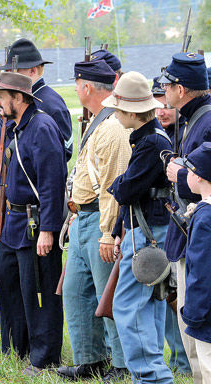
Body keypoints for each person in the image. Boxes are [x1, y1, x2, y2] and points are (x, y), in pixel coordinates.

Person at [0, 72, 66, 375]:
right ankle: (16, 350)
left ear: (17, 98)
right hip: (12, 222)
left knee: (40, 293)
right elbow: (3, 178)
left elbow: (51, 183)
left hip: (35, 224)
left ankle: (43, 358)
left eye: (2, 96)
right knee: (10, 289)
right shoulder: (14, 127)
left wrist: (48, 228)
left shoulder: (42, 127)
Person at [57, 60, 129, 382]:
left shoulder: (112, 126)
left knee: (107, 297)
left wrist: (107, 232)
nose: (75, 89)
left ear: (86, 87)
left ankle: (123, 363)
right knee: (75, 292)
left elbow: (113, 185)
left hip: (100, 219)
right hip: (82, 216)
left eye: (76, 84)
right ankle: (91, 359)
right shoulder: (96, 122)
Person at [104, 71, 174, 383]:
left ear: (131, 112)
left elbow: (124, 190)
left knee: (129, 307)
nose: (115, 114)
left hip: (148, 234)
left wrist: (119, 184)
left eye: (117, 109)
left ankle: (152, 377)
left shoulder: (150, 142)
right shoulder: (148, 139)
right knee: (149, 306)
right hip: (146, 230)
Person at [160, 52, 211, 384]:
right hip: (189, 230)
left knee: (201, 332)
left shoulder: (206, 119)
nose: (163, 89)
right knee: (190, 333)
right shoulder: (191, 117)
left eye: (168, 84)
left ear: (181, 88)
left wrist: (178, 173)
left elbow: (199, 176)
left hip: (201, 229)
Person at [152, 77, 191, 375]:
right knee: (168, 296)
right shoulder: (159, 135)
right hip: (163, 225)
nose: (163, 111)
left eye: (166, 105)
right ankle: (179, 359)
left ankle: (184, 360)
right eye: (158, 106)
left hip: (179, 224)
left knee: (180, 295)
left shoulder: (189, 130)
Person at [0, 38, 72, 162]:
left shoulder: (50, 104)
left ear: (33, 71)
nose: (9, 76)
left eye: (14, 71)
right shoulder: (15, 100)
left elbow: (63, 152)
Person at [178, 142, 211, 383]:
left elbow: (201, 271)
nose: (186, 176)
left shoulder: (205, 218)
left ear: (199, 177)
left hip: (206, 317)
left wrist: (193, 314)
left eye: (189, 172)